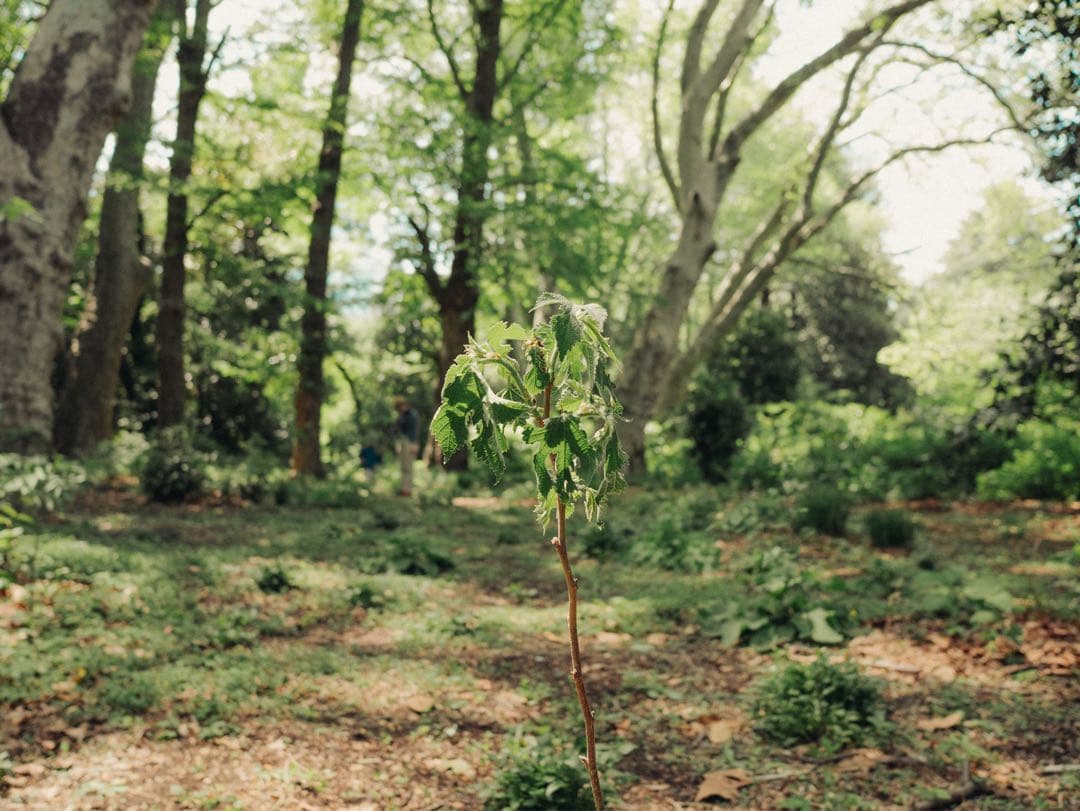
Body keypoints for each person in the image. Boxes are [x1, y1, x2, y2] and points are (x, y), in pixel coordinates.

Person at [393, 396, 419, 497]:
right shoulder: (402, 416)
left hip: (409, 442)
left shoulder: (412, 415)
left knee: (408, 467)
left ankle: (407, 490)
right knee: (404, 467)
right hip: (403, 442)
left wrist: (414, 443)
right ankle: (405, 489)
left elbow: (414, 430)